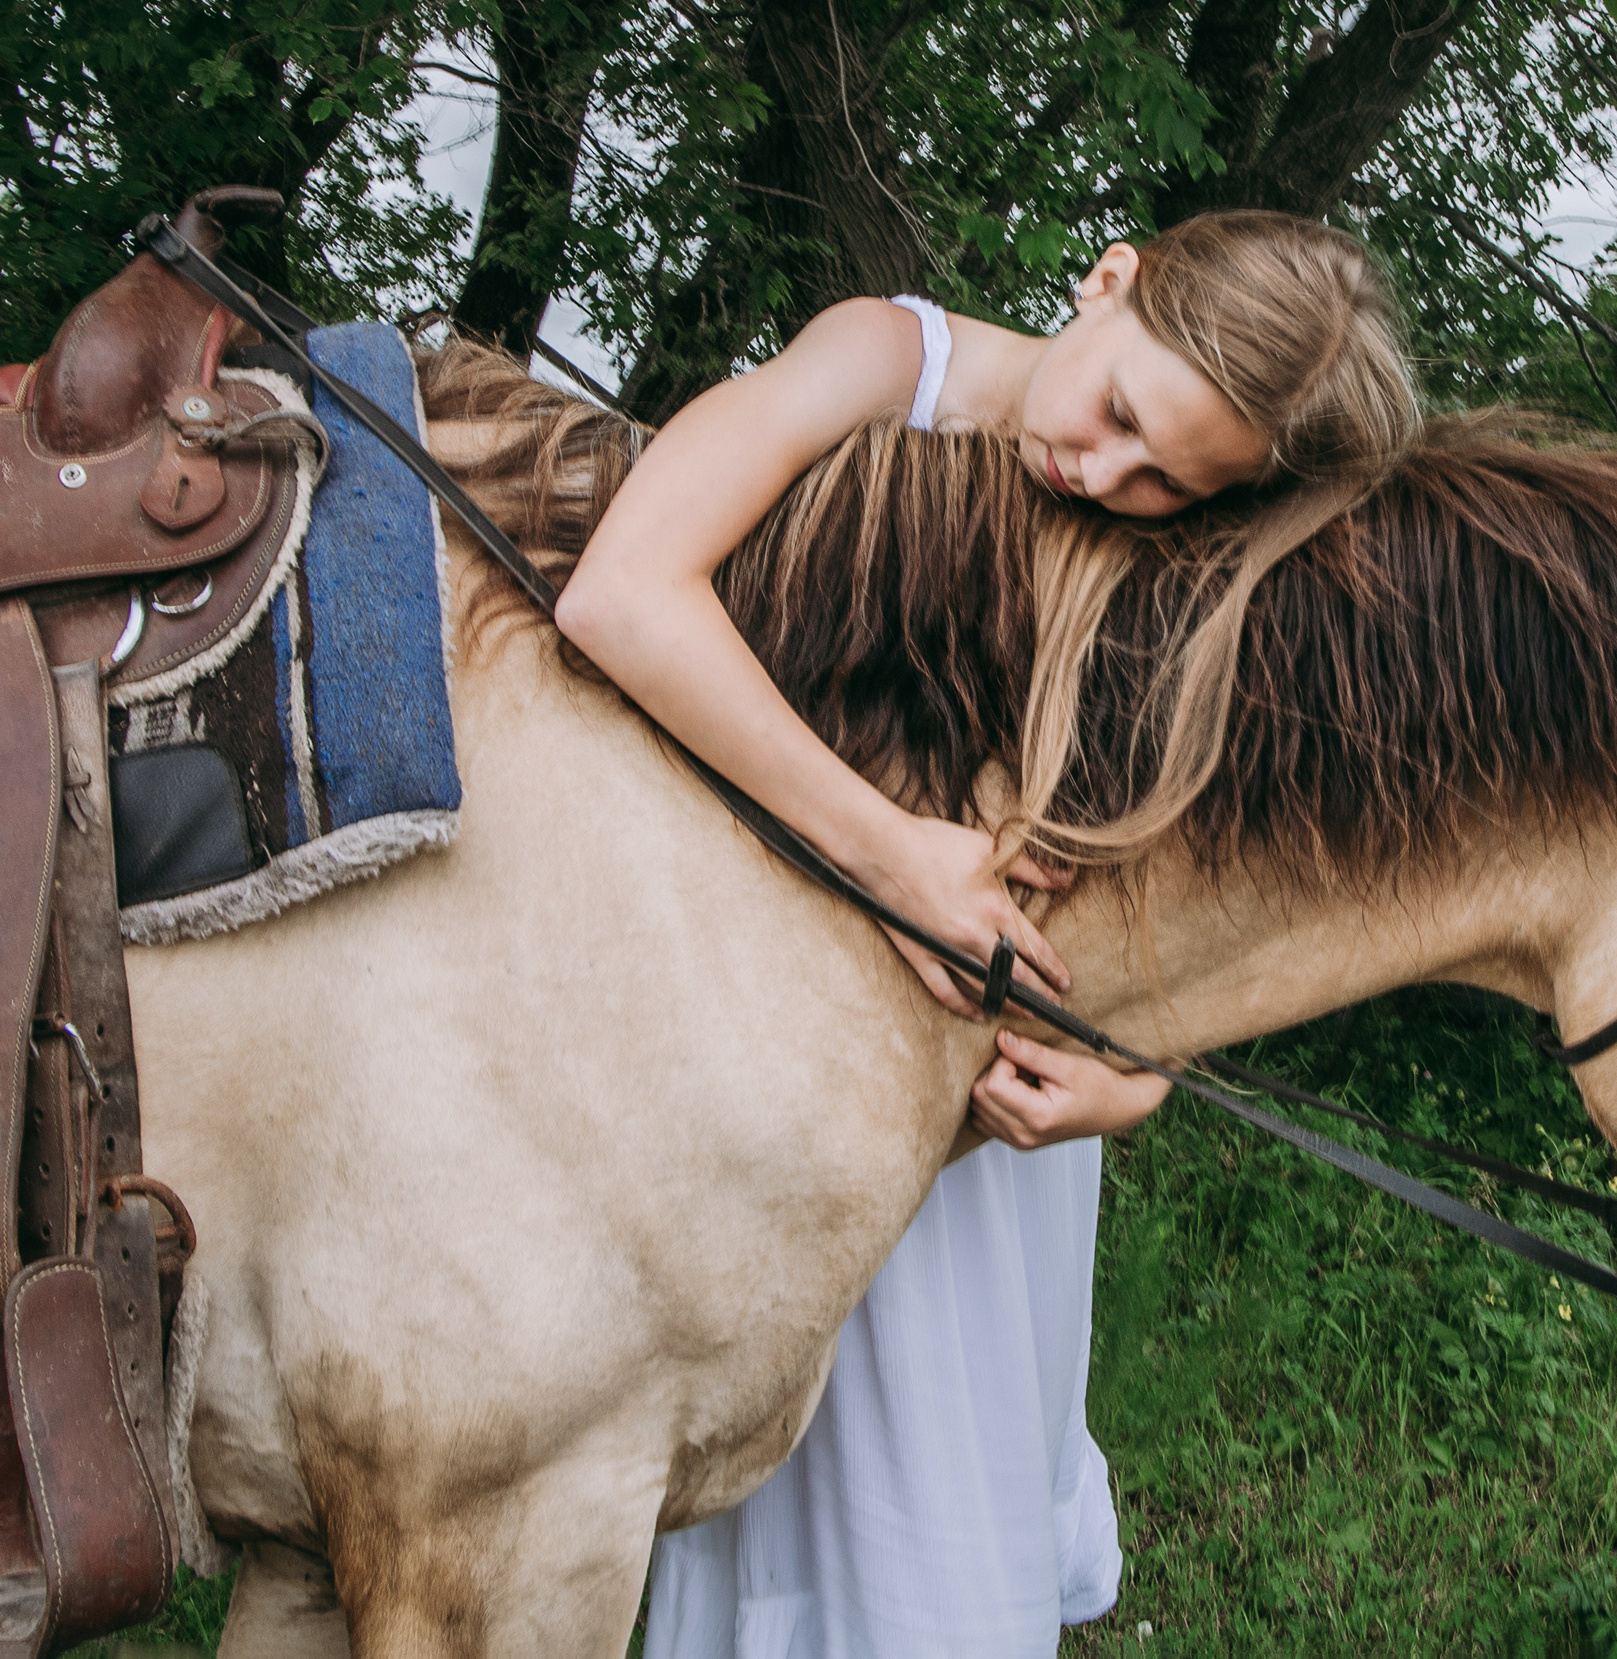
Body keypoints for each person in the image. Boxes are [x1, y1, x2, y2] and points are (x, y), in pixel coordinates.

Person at [560, 211, 1417, 1657]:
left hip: (1005, 1122)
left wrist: (1147, 1061)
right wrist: (893, 853)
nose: (1107, 473)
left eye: (1169, 481)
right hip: (792, 1031)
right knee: (829, 1532)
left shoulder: (1175, 541)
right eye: (1123, 415)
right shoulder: (889, 359)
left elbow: (1197, 862)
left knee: (958, 1514)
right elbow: (622, 594)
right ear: (1109, 279)